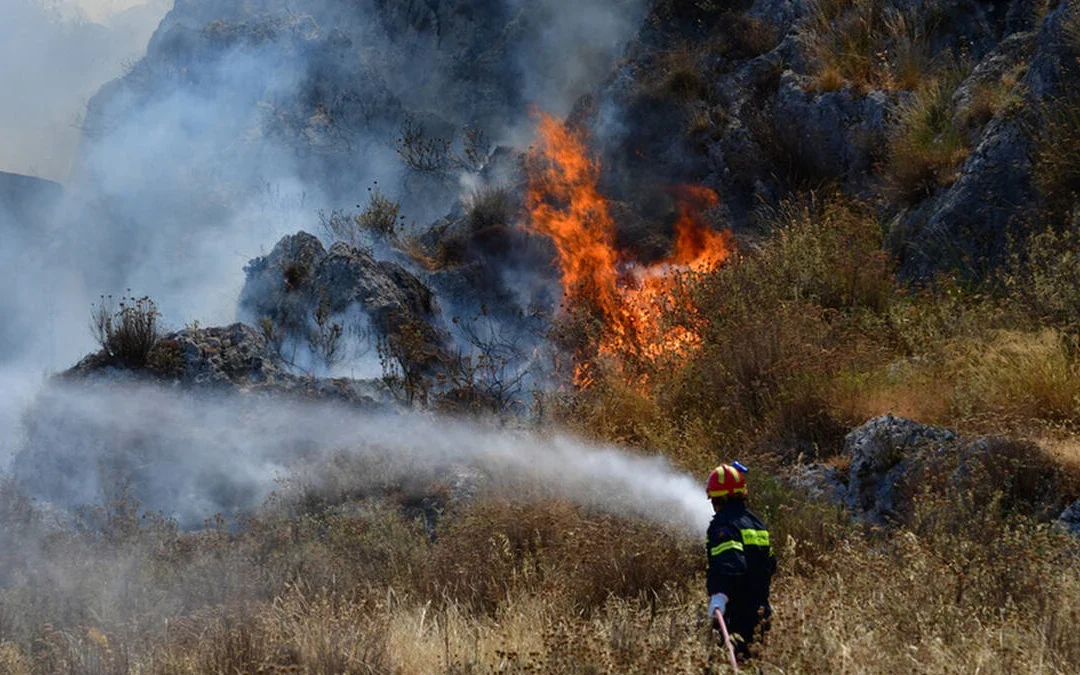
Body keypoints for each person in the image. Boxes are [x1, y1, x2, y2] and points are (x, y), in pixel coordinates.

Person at [705, 462, 776, 661]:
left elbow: (731, 565)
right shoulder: (756, 523)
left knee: (725, 665)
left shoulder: (723, 524)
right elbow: (771, 564)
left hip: (736, 616)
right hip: (761, 612)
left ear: (718, 498)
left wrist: (720, 595)